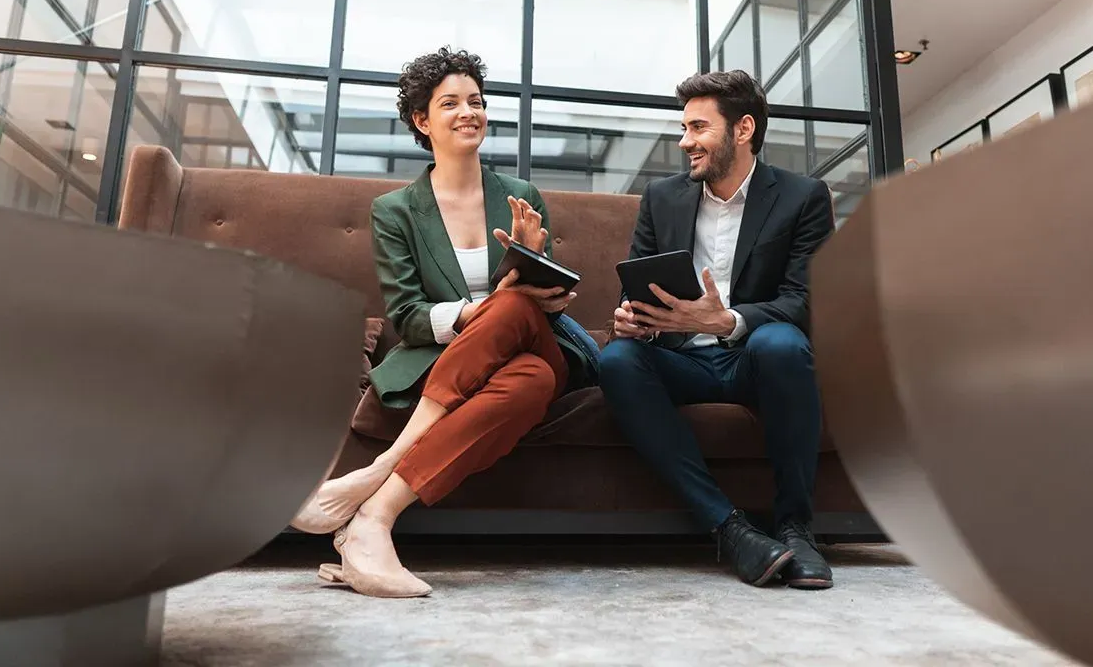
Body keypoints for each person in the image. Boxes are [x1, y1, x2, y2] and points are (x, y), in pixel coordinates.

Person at [291, 47, 599, 598]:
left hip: (538, 338)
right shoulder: (396, 210)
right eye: (451, 103)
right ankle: (373, 523)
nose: (469, 112)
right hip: (466, 360)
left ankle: (382, 469)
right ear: (421, 120)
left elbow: (551, 300)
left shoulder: (521, 198)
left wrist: (541, 276)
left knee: (517, 307)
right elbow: (406, 315)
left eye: (476, 102)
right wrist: (474, 312)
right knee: (529, 376)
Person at [598, 69, 836, 589]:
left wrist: (727, 320)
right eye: (685, 129)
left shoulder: (803, 197)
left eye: (699, 128)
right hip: (681, 358)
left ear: (743, 129)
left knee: (782, 343)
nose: (686, 142)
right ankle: (729, 529)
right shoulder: (662, 198)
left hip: (754, 356)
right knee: (615, 360)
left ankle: (796, 528)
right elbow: (635, 282)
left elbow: (804, 301)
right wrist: (630, 319)